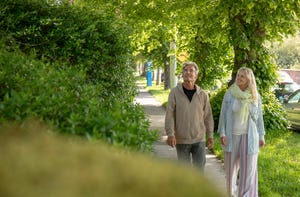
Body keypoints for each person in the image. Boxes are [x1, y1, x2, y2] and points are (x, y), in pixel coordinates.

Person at [218, 67, 265, 197]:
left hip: (249, 137)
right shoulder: (230, 93)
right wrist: (222, 133)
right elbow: (223, 115)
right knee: (230, 171)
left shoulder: (255, 96)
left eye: (242, 76)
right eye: (238, 75)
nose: (238, 78)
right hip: (232, 136)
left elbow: (259, 118)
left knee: (248, 172)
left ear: (249, 79)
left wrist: (262, 136)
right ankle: (231, 194)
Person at [165, 61, 214, 170]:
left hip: (199, 139)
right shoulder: (174, 93)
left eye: (191, 70)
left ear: (196, 75)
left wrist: (210, 135)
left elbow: (208, 116)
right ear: (182, 74)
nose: (188, 72)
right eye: (185, 70)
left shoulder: (203, 94)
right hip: (182, 139)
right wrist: (170, 134)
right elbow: (170, 114)